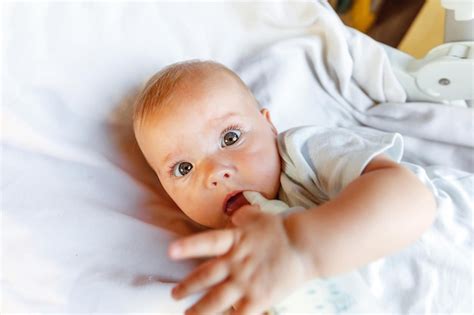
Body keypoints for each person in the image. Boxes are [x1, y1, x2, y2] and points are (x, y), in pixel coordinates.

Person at [132, 60, 436, 315]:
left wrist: (300, 248)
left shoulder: (304, 155)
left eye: (230, 138)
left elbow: (412, 199)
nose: (215, 172)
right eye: (184, 168)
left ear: (269, 127)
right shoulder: (231, 259)